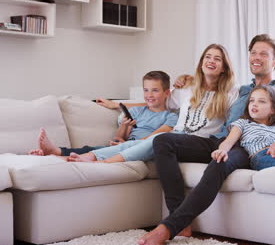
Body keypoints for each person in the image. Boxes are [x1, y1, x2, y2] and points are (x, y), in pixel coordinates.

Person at [138, 34, 275, 245]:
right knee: (163, 141)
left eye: (264, 54)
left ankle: (168, 228)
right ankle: (181, 218)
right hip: (220, 140)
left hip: (246, 149)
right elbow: (209, 85)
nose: (256, 57)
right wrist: (188, 79)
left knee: (218, 163)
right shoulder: (241, 90)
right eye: (253, 52)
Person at [68, 43, 239, 164]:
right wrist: (117, 105)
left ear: (224, 67)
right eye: (208, 57)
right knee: (140, 142)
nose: (211, 61)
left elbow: (235, 124)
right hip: (176, 136)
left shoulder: (231, 93)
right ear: (201, 62)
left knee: (155, 140)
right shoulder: (187, 88)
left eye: (217, 59)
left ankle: (106, 162)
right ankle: (92, 156)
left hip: (198, 143)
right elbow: (155, 102)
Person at [28, 71, 178, 163]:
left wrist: (129, 144)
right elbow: (121, 136)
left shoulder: (170, 117)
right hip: (126, 145)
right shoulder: (138, 111)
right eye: (146, 90)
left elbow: (155, 137)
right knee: (93, 148)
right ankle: (55, 153)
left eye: (155, 90)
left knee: (99, 151)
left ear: (166, 93)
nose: (149, 95)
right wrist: (124, 129)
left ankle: (55, 155)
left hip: (143, 149)